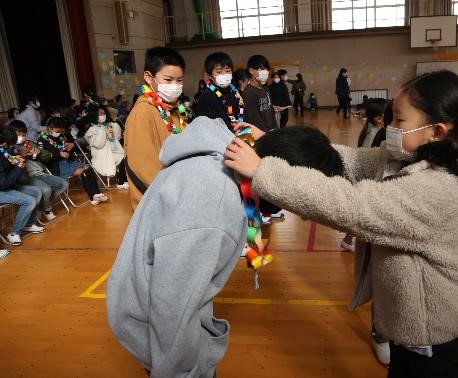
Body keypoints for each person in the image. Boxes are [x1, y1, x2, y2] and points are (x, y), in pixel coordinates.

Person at [226, 70, 458, 377]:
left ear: (437, 131)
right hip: (407, 324)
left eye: (399, 121)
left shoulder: (437, 190)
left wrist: (264, 171)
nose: (389, 127)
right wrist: (274, 143)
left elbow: (350, 204)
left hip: (432, 330)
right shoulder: (406, 157)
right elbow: (349, 160)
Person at [106, 117, 343, 377]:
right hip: (155, 327)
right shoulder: (213, 210)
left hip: (162, 305)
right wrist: (185, 372)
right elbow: (172, 308)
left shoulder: (223, 155)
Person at [124, 46, 188, 209]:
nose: (175, 85)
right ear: (148, 77)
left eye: (179, 80)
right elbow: (144, 169)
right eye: (168, 80)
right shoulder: (143, 113)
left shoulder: (174, 109)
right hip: (159, 201)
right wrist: (174, 195)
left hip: (181, 192)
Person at [341, 99, 390, 253]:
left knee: (363, 212)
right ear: (378, 119)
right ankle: (350, 240)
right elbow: (368, 157)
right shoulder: (372, 133)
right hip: (367, 178)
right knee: (363, 213)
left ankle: (348, 240)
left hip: (366, 178)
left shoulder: (372, 128)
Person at [37, 118, 108, 206]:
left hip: (67, 162)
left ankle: (96, 195)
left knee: (88, 168)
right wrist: (59, 154)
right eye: (58, 131)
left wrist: (71, 145)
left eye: (60, 131)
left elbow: (67, 148)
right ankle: (93, 196)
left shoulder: (61, 136)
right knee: (83, 171)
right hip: (56, 166)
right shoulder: (41, 140)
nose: (59, 133)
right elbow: (44, 158)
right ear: (50, 127)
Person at [11, 121, 68, 222]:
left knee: (63, 184)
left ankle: (41, 206)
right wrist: (23, 155)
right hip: (26, 176)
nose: (22, 137)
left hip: (40, 172)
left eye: (23, 135)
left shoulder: (29, 143)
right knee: (46, 190)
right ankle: (47, 210)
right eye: (19, 134)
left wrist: (37, 154)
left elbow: (46, 155)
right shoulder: (10, 148)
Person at [0, 127, 45, 246]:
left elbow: (7, 155)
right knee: (29, 201)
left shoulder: (3, 149)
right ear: (4, 143)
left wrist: (16, 152)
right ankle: (14, 233)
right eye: (10, 145)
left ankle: (28, 224)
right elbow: (3, 184)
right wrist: (18, 167)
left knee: (36, 191)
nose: (11, 147)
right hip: (2, 189)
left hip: (6, 186)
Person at [193, 52, 242, 130]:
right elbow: (210, 127)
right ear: (210, 75)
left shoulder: (233, 92)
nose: (224, 74)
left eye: (228, 71)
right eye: (219, 72)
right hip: (222, 139)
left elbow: (239, 114)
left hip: (238, 133)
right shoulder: (207, 97)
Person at [84, 106, 128, 189]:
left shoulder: (108, 126)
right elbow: (98, 144)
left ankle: (123, 179)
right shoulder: (92, 129)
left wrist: (113, 128)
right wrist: (101, 130)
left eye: (104, 113)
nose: (103, 115)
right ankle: (120, 182)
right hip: (101, 155)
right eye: (100, 113)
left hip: (111, 151)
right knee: (122, 157)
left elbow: (114, 140)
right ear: (95, 115)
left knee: (125, 155)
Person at [242, 55, 277, 132]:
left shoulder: (265, 89)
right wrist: (266, 135)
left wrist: (275, 130)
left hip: (271, 131)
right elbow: (254, 119)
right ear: (251, 71)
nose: (266, 72)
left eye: (267, 69)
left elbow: (270, 112)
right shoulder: (248, 93)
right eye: (262, 69)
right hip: (260, 134)